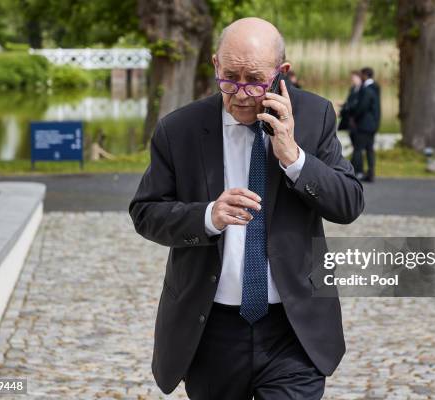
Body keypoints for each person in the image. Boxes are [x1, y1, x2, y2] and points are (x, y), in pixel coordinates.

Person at [129, 17, 364, 400]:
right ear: (215, 65)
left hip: (292, 329)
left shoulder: (314, 116)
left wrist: (295, 158)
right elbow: (145, 212)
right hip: (210, 331)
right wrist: (207, 217)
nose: (240, 92)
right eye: (229, 77)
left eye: (254, 79)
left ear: (281, 73)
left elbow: (349, 203)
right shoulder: (179, 129)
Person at [351, 67, 381, 183]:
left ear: (364, 75)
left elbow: (362, 107)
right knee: (369, 149)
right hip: (373, 124)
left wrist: (354, 117)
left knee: (358, 149)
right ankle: (371, 172)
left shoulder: (367, 90)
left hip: (365, 124)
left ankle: (357, 172)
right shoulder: (375, 87)